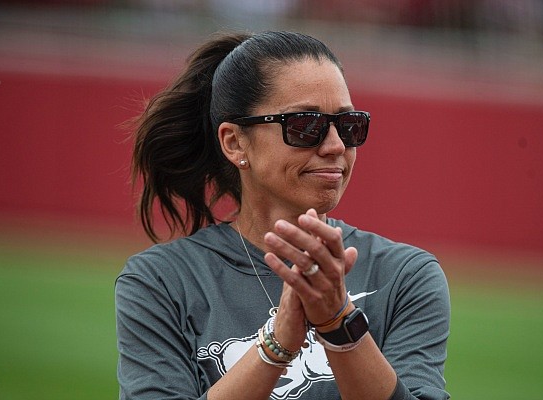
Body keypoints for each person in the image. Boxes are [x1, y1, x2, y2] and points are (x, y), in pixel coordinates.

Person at [115, 30, 450, 400]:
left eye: (349, 124)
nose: (336, 145)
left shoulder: (405, 276)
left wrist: (339, 324)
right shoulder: (162, 281)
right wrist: (276, 345)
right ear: (235, 142)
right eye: (306, 126)